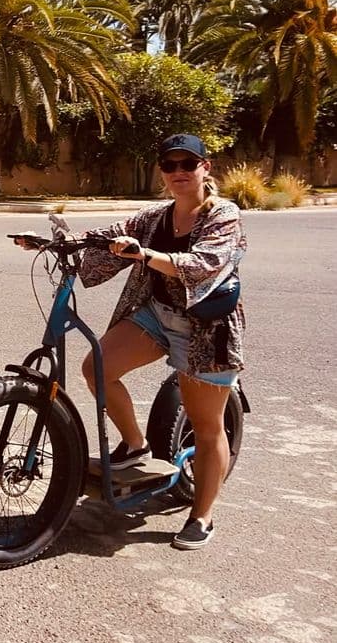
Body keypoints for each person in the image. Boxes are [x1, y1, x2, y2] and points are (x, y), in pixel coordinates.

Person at [16, 132, 246, 551]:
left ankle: (202, 515)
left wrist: (144, 255)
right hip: (157, 314)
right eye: (170, 165)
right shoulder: (156, 216)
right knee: (97, 367)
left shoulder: (223, 215)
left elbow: (204, 264)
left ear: (204, 168)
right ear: (162, 172)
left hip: (205, 327)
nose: (178, 172)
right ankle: (137, 446)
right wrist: (57, 243)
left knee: (207, 426)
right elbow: (111, 233)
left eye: (187, 164)